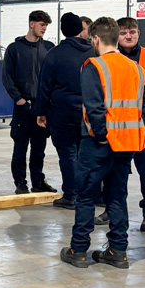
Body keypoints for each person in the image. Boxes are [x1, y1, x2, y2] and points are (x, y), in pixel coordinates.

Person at [61, 17, 145, 269]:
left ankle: (79, 249)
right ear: (116, 37)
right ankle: (118, 251)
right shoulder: (137, 68)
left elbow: (94, 108)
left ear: (95, 39)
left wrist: (103, 134)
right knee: (117, 196)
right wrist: (134, 127)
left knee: (85, 196)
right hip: (127, 143)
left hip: (98, 144)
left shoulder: (94, 66)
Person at [109, 17, 145, 231]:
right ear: (116, 36)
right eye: (123, 33)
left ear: (138, 33)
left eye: (132, 31)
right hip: (118, 127)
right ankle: (112, 208)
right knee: (115, 173)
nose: (129, 36)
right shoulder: (108, 59)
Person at [35, 13, 93, 209]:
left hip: (62, 112)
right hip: (89, 113)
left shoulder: (54, 54)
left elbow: (44, 86)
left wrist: (41, 112)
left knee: (67, 154)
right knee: (85, 155)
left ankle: (71, 195)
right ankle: (88, 194)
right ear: (80, 29)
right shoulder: (94, 53)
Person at [2, 10, 56, 194]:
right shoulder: (14, 49)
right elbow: (7, 78)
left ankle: (38, 182)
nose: (44, 28)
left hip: (42, 107)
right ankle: (20, 183)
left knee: (39, 148)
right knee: (20, 147)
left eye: (46, 25)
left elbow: (52, 77)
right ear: (31, 24)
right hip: (23, 107)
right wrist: (18, 99)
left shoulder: (49, 48)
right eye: (42, 24)